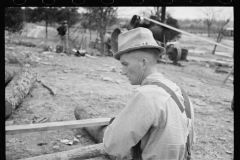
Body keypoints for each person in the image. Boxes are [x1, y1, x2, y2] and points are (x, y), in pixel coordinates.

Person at [102, 27, 195, 160]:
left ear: (143, 63)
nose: (122, 71)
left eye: (125, 64)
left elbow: (112, 146)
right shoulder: (180, 92)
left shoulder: (146, 95)